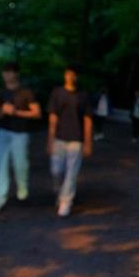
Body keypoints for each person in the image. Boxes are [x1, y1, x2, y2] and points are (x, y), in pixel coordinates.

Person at [0, 62, 41, 212]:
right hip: (3, 131)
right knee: (0, 164)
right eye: (4, 72)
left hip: (21, 132)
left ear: (16, 74)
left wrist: (16, 112)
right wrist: (3, 112)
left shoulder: (26, 92)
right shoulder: (0, 92)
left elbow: (36, 113)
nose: (6, 75)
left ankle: (22, 193)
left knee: (20, 164)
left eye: (9, 72)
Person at [47, 65, 93, 217]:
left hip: (76, 139)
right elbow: (53, 117)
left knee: (72, 172)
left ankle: (66, 201)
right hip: (59, 137)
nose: (69, 77)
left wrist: (88, 142)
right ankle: (59, 193)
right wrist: (50, 139)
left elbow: (87, 120)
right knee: (56, 170)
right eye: (67, 74)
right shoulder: (57, 93)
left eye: (72, 74)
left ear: (76, 77)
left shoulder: (83, 95)